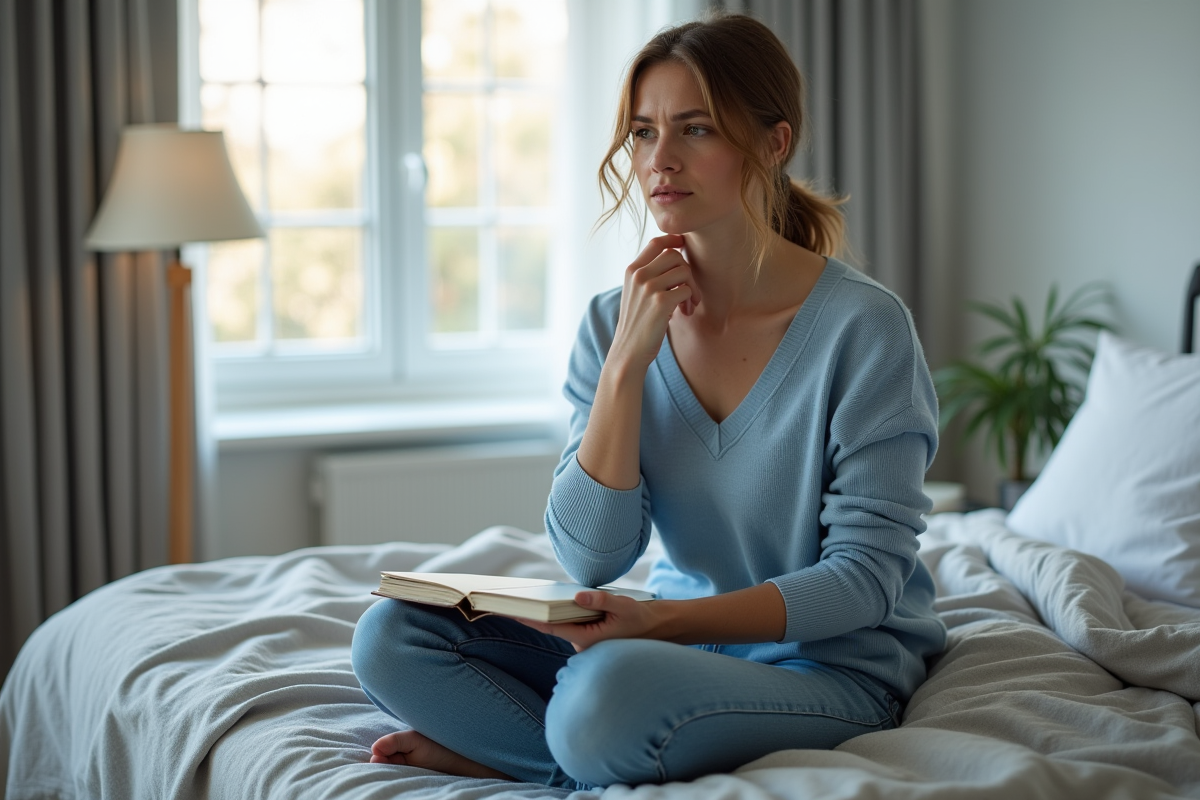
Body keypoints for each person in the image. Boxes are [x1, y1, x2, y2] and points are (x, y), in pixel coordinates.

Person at [351, 12, 946, 790]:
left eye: (695, 129)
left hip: (828, 670)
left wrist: (663, 623)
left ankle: (535, 758)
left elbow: (864, 581)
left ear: (774, 142)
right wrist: (626, 365)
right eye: (641, 132)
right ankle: (564, 759)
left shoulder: (865, 328)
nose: (659, 159)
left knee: (606, 700)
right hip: (675, 657)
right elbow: (594, 556)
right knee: (393, 635)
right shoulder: (613, 318)